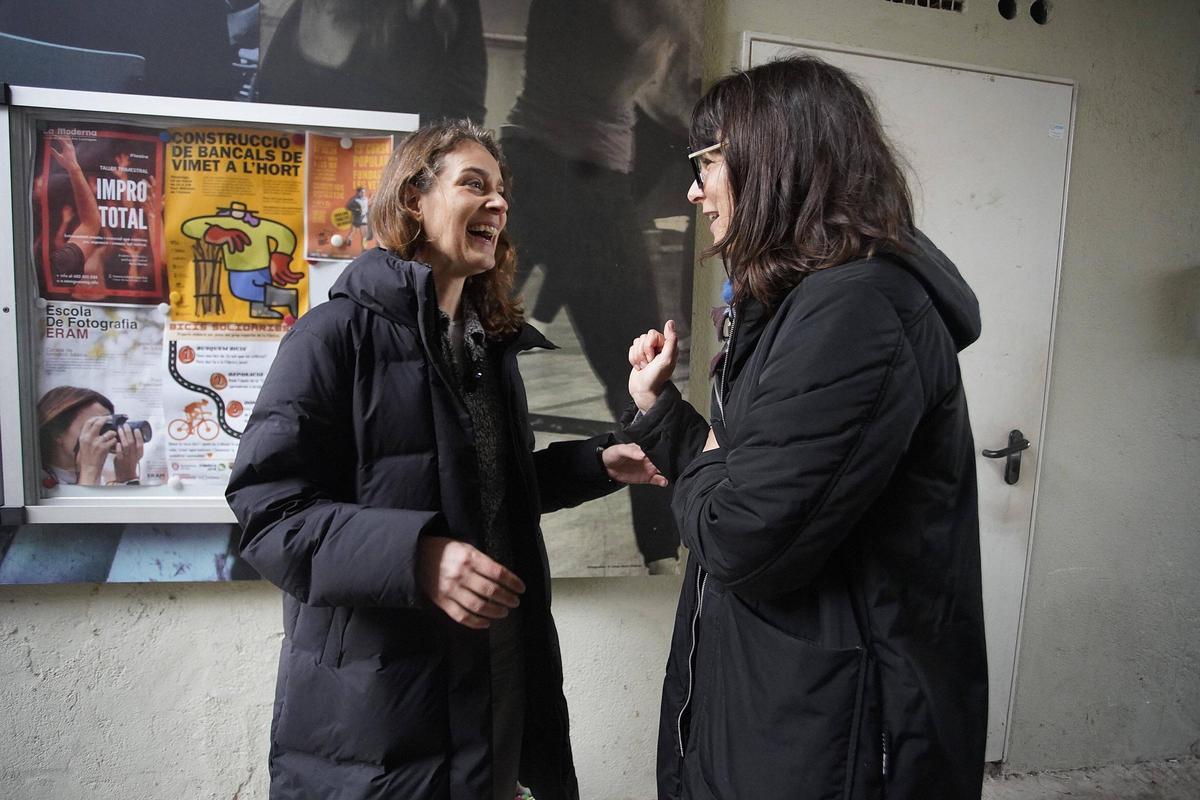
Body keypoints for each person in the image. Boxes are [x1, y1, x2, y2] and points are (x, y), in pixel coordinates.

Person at [226, 120, 666, 800]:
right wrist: (417, 556)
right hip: (377, 736)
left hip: (490, 703)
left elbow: (480, 490)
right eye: (474, 185)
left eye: (502, 192)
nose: (498, 204)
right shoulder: (331, 337)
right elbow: (266, 515)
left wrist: (596, 463)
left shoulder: (490, 353)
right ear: (413, 200)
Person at [622, 56, 988, 799]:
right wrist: (667, 416)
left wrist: (711, 457)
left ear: (776, 160)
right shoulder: (800, 303)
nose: (694, 191)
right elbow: (750, 483)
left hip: (834, 741)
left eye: (709, 163)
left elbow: (741, 541)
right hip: (784, 712)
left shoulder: (857, 310)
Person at [37, 386, 143, 486]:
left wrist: (127, 477)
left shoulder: (102, 477)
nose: (104, 436)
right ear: (57, 432)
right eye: (93, 427)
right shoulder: (35, 483)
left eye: (107, 427)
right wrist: (90, 470)